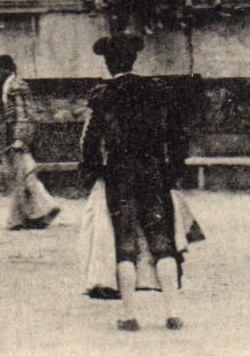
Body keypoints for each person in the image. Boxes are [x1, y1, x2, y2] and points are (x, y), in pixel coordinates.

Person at [78, 34, 195, 331]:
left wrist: (94, 173)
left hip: (120, 174)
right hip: (153, 171)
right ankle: (173, 312)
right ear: (134, 60)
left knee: (125, 242)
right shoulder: (157, 89)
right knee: (161, 240)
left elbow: (90, 141)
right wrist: (172, 171)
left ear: (108, 63)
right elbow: (179, 135)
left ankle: (130, 315)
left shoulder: (102, 94)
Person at [0, 54, 60, 230]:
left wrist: (20, 138)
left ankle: (28, 215)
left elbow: (24, 114)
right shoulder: (11, 85)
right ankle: (40, 212)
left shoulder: (16, 86)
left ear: (7, 69)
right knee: (24, 175)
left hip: (18, 134)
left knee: (22, 176)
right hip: (14, 133)